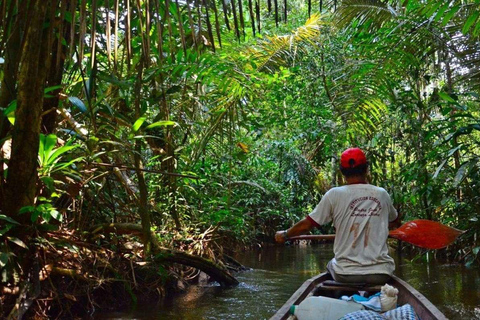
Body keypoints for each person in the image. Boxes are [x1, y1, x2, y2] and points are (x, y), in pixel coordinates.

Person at [275, 148, 400, 285]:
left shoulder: (334, 194)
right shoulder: (381, 194)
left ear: (342, 172)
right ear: (366, 169)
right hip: (380, 274)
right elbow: (394, 222)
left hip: (345, 274)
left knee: (331, 265)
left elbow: (308, 224)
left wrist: (285, 234)